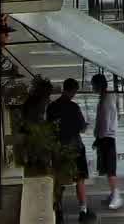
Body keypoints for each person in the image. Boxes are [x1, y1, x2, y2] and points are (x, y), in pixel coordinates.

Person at [45, 77, 93, 221]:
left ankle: (58, 210)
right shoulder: (74, 107)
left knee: (59, 180)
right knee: (80, 179)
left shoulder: (52, 107)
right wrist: (85, 125)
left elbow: (49, 128)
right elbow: (82, 128)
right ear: (73, 91)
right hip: (75, 148)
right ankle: (83, 211)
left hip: (58, 148)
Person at [90, 73, 123, 209]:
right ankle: (113, 193)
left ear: (98, 85)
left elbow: (104, 122)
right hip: (107, 136)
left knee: (110, 169)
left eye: (93, 85)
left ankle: (116, 196)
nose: (92, 88)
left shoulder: (105, 101)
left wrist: (98, 138)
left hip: (106, 137)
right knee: (106, 168)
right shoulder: (106, 97)